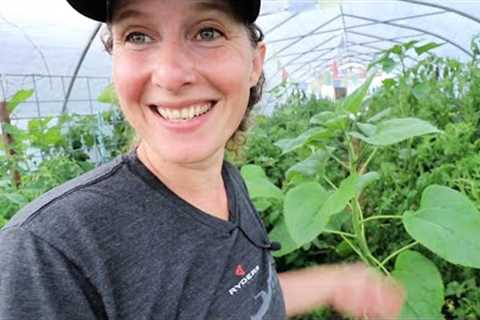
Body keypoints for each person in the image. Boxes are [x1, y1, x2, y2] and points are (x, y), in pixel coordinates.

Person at [0, 0, 404, 319]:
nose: (171, 75)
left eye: (207, 32)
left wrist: (331, 283)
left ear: (254, 63)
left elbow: (238, 299)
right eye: (138, 36)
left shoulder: (227, 182)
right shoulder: (51, 252)